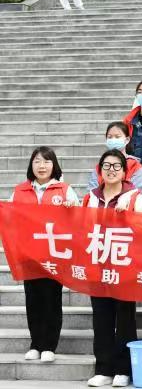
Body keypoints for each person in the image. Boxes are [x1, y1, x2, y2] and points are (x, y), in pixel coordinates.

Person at [84, 149, 142, 388]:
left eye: (116, 166)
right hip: (98, 267)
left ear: (124, 172)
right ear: (100, 170)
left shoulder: (135, 198)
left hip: (125, 268)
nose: (111, 170)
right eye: (106, 166)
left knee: (125, 319)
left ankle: (124, 369)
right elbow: (81, 228)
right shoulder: (90, 198)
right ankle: (103, 368)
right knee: (101, 318)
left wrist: (129, 219)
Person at [11, 147, 79, 364]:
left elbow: (79, 219)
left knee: (51, 298)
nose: (42, 166)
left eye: (46, 161)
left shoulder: (64, 190)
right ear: (31, 165)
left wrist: (71, 209)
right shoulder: (20, 191)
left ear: (54, 165)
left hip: (54, 254)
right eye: (37, 161)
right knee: (32, 299)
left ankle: (49, 345)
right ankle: (35, 344)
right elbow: (10, 219)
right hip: (29, 254)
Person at [87, 121, 142, 193]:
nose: (113, 140)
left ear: (127, 140)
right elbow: (92, 191)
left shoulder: (135, 166)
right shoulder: (100, 166)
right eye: (110, 137)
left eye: (117, 137)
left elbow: (135, 192)